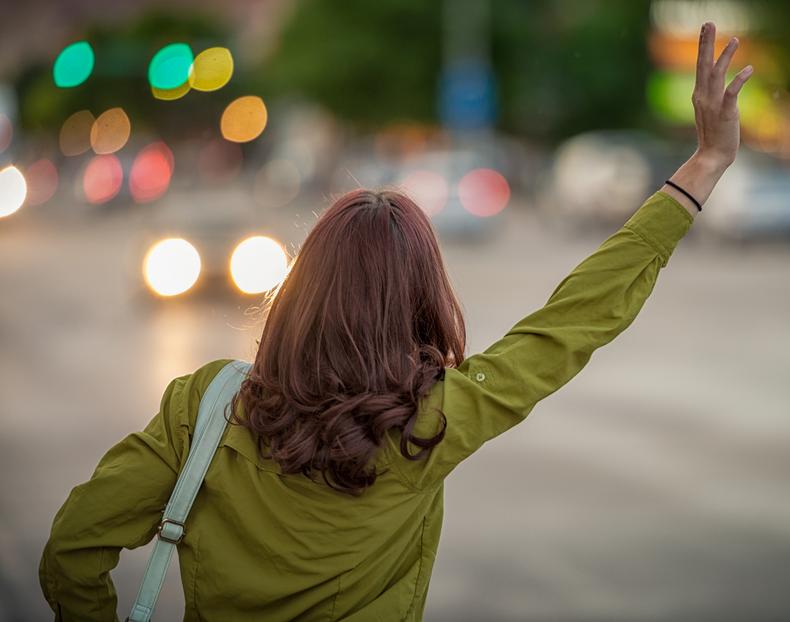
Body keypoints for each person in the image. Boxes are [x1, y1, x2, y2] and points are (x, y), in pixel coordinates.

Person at [39, 22, 752, 622]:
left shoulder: (203, 407)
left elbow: (71, 551)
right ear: (419, 302)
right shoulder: (431, 426)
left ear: (301, 292)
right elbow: (574, 320)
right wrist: (704, 163)